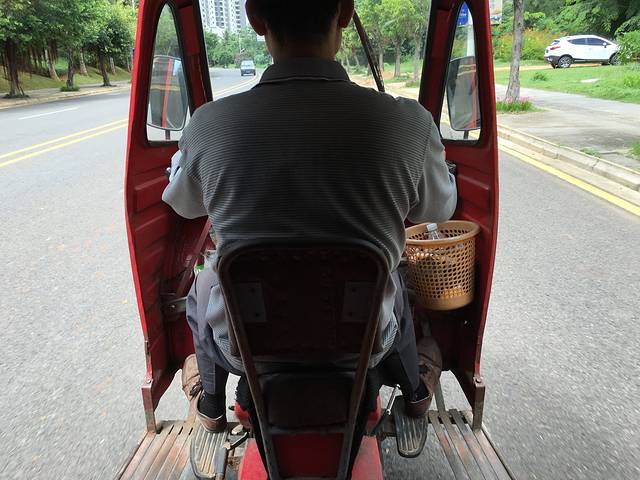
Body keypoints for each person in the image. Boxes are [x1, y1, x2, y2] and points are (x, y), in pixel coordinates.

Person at [163, 0, 456, 433]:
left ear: (254, 17)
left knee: (206, 280)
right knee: (392, 273)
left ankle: (210, 403)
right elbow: (438, 210)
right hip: (364, 344)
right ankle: (415, 394)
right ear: (345, 12)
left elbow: (185, 204)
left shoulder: (209, 125)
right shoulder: (409, 124)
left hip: (248, 347)